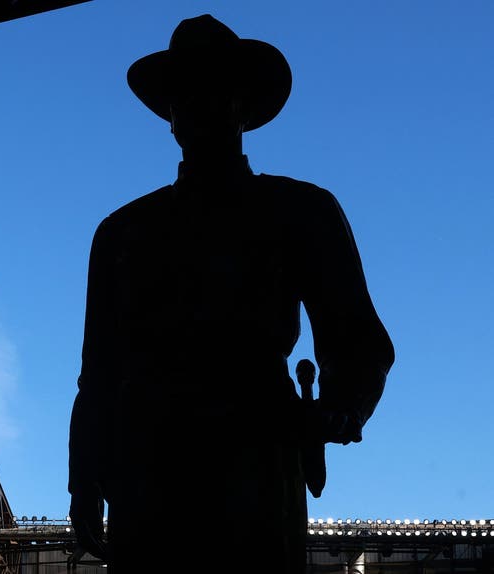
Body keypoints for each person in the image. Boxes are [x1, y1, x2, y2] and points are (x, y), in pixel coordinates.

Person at [67, 14, 395, 573]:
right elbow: (97, 371)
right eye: (185, 92)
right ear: (169, 116)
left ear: (243, 104)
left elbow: (358, 338)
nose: (197, 103)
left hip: (254, 463)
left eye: (214, 87)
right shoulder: (120, 233)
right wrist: (84, 479)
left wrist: (339, 409)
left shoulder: (302, 212)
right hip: (152, 469)